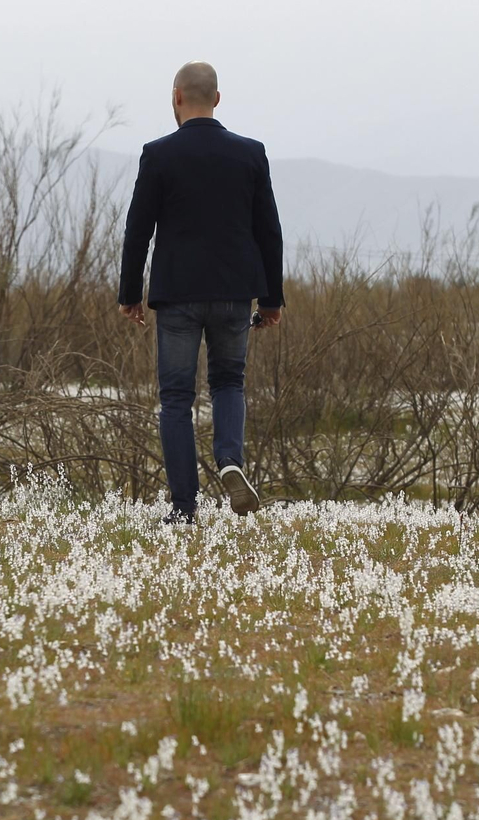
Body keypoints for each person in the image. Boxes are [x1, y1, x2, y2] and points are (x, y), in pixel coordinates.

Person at [117, 61, 284, 525]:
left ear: (176, 98)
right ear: (217, 98)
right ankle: (230, 459)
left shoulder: (158, 154)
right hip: (234, 294)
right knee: (229, 382)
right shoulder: (251, 154)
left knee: (176, 397)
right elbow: (269, 231)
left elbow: (138, 231)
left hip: (177, 296)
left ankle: (184, 507)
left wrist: (130, 292)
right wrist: (271, 299)